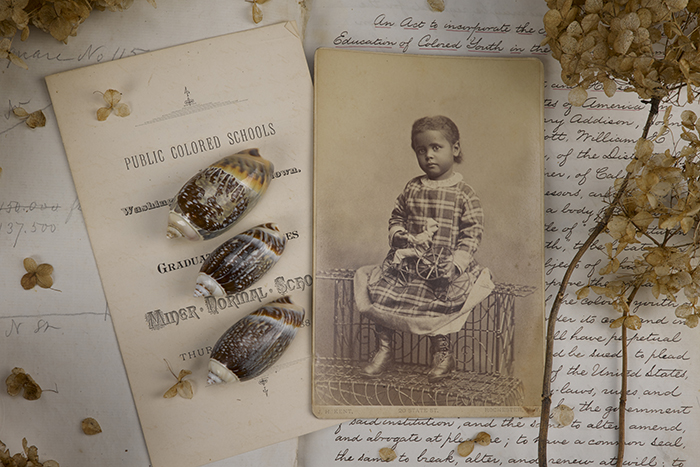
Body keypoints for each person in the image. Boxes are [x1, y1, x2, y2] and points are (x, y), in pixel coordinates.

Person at [354, 115, 494, 383]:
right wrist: (401, 235)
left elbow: (472, 234)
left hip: (442, 268)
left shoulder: (465, 194)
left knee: (437, 305)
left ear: (454, 148)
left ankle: (442, 354)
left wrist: (454, 265)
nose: (428, 155)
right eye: (421, 150)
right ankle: (384, 350)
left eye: (436, 148)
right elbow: (396, 217)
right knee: (381, 295)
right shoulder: (412, 188)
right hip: (410, 265)